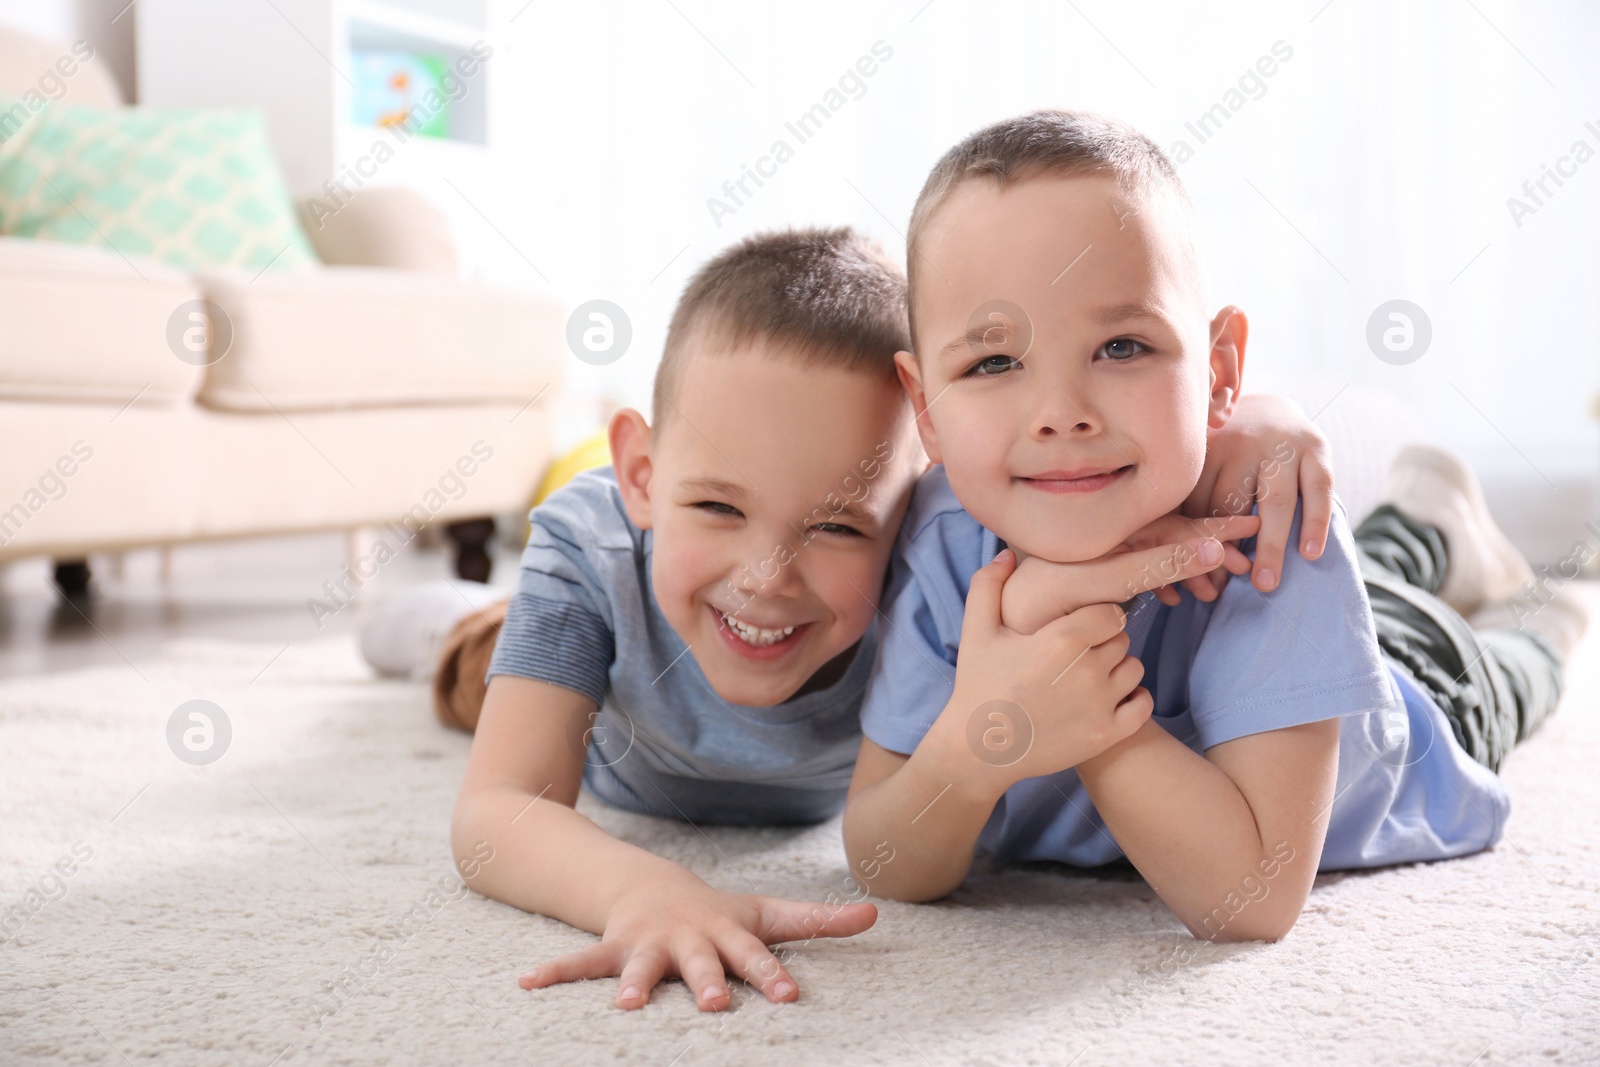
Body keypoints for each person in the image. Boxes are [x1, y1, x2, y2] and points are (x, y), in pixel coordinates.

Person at [361, 226, 1336, 1010]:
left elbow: (1074, 468)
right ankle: (433, 617)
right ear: (642, 475)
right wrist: (644, 888)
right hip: (630, 707)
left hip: (779, 723)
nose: (768, 575)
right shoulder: (593, 548)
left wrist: (1256, 419)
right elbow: (496, 812)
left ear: (928, 489)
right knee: (471, 664)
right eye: (716, 506)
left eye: (834, 524)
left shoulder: (943, 539)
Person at [840, 110, 1587, 941]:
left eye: (1121, 347)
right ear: (927, 412)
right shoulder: (945, 538)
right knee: (1381, 569)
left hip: (1423, 689)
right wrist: (974, 747)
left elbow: (1254, 900)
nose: (1060, 414)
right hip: (1333, 616)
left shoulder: (1264, 525)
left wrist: (1075, 680)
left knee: (1509, 666)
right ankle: (1426, 521)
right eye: (992, 362)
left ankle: (1532, 598)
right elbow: (883, 859)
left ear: (1221, 367)